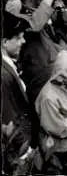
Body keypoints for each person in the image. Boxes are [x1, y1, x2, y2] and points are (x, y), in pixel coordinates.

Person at [35, 50, 67, 174]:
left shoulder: (65, 85)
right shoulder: (48, 97)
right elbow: (55, 126)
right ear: (61, 74)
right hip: (59, 147)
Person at [1, 12, 33, 171]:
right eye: (19, 38)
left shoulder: (7, 66)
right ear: (5, 42)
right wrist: (25, 151)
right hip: (17, 151)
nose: (24, 41)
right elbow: (8, 118)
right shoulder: (3, 76)